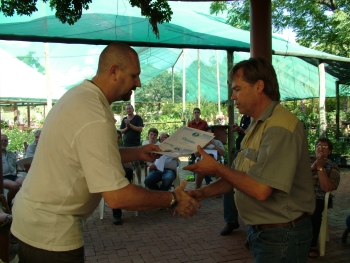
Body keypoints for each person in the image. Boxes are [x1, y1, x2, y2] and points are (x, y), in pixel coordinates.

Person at [11, 43, 200, 263]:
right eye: (134, 75)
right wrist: (172, 198)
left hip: (34, 223)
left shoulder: (78, 97)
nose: (138, 83)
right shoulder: (94, 114)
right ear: (113, 71)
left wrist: (137, 152)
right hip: (50, 235)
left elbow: (88, 155)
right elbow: (117, 196)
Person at [184, 57, 315, 262]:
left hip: (282, 235)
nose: (233, 97)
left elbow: (260, 189)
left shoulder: (279, 127)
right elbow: (237, 178)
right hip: (267, 233)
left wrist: (217, 168)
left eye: (237, 89)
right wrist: (202, 192)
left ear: (259, 86)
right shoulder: (258, 124)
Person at [309, 137, 340, 258]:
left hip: (319, 196)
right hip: (301, 194)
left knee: (315, 211)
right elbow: (297, 178)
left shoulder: (333, 166)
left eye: (325, 147)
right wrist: (314, 165)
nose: (321, 149)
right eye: (318, 146)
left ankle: (312, 245)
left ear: (330, 151)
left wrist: (320, 168)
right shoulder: (306, 160)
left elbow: (327, 188)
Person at [221, 115, 250, 236]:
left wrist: (241, 130)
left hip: (251, 158)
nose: (234, 97)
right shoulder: (245, 117)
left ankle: (253, 230)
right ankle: (231, 221)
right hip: (240, 155)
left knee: (248, 190)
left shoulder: (259, 116)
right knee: (228, 185)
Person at [111, 130, 134, 226]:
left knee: (128, 171)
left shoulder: (123, 150)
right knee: (115, 186)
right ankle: (117, 215)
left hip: (122, 176)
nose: (117, 140)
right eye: (115, 137)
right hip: (111, 177)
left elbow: (130, 167)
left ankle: (125, 191)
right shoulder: (107, 151)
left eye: (119, 137)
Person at [120, 104, 144, 184]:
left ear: (133, 109)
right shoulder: (124, 119)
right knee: (128, 164)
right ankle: (131, 182)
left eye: (130, 108)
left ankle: (140, 182)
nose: (128, 110)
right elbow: (120, 131)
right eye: (127, 109)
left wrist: (130, 125)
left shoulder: (137, 118)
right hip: (126, 144)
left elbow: (140, 129)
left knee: (137, 164)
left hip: (136, 144)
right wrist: (127, 127)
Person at [1, 134, 24, 209]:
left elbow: (17, 166)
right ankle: (8, 202)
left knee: (27, 182)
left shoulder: (11, 154)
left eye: (5, 141)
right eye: (2, 140)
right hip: (3, 177)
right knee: (15, 186)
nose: (4, 142)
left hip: (13, 176)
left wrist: (26, 168)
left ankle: (24, 204)